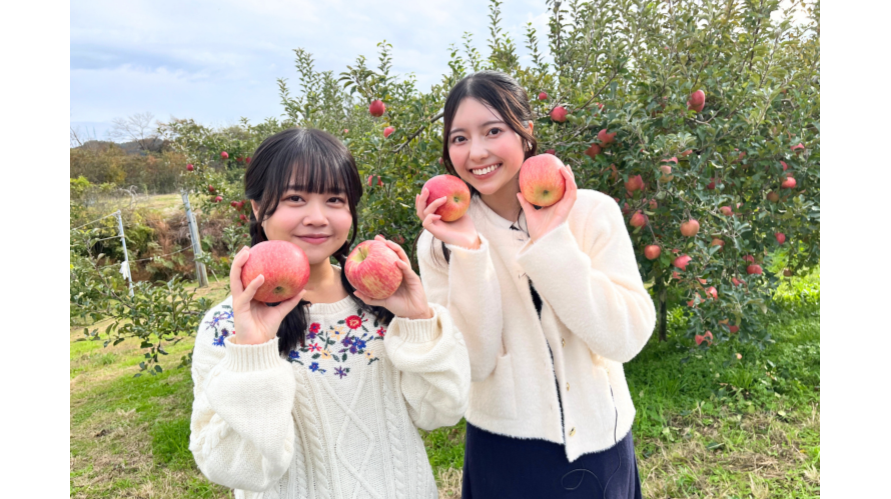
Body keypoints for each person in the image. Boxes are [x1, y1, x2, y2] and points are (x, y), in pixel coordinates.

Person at [189, 127, 471, 499]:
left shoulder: (380, 303)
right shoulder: (226, 326)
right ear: (258, 208)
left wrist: (418, 322)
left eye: (335, 200)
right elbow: (234, 468)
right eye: (295, 198)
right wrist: (253, 353)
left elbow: (440, 413)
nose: (318, 217)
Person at [414, 70, 656, 498]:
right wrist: (470, 251)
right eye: (459, 138)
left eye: (493, 130)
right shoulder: (439, 243)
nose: (478, 151)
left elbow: (625, 339)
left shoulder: (591, 212)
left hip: (602, 442)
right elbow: (473, 363)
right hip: (506, 452)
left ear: (527, 132)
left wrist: (553, 242)